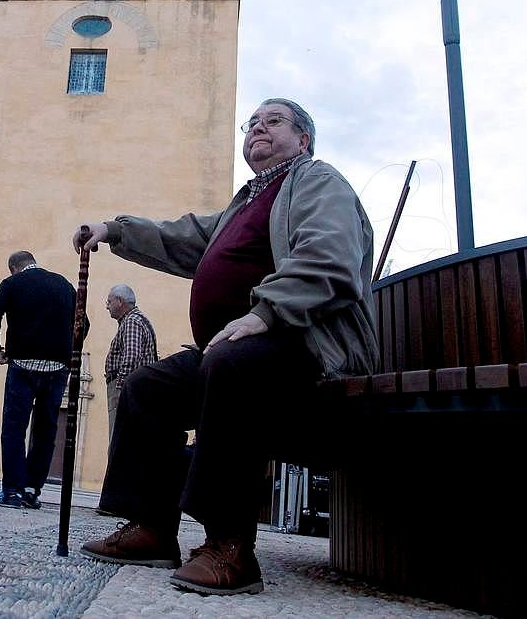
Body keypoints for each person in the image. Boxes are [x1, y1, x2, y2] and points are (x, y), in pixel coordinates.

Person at [76, 98, 379, 596]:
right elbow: (183, 236)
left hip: (308, 348)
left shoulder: (317, 181)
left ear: (303, 140)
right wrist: (115, 231)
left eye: (274, 120)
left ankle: (230, 546)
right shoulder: (245, 203)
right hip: (237, 350)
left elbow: (331, 258)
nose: (259, 126)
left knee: (230, 366)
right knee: (148, 386)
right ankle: (152, 528)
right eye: (252, 123)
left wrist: (265, 313)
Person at [0, 250, 76, 510]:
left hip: (23, 365)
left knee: (14, 428)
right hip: (57, 367)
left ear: (14, 267)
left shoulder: (12, 284)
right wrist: (67, 350)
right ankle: (33, 490)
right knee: (46, 430)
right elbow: (84, 322)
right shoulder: (64, 284)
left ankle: (12, 490)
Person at [102, 284, 158, 439]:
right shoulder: (134, 320)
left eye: (109, 301)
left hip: (127, 387)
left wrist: (121, 388)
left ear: (119, 301)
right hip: (134, 386)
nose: (107, 306)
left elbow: (131, 357)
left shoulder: (132, 321)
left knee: (119, 437)